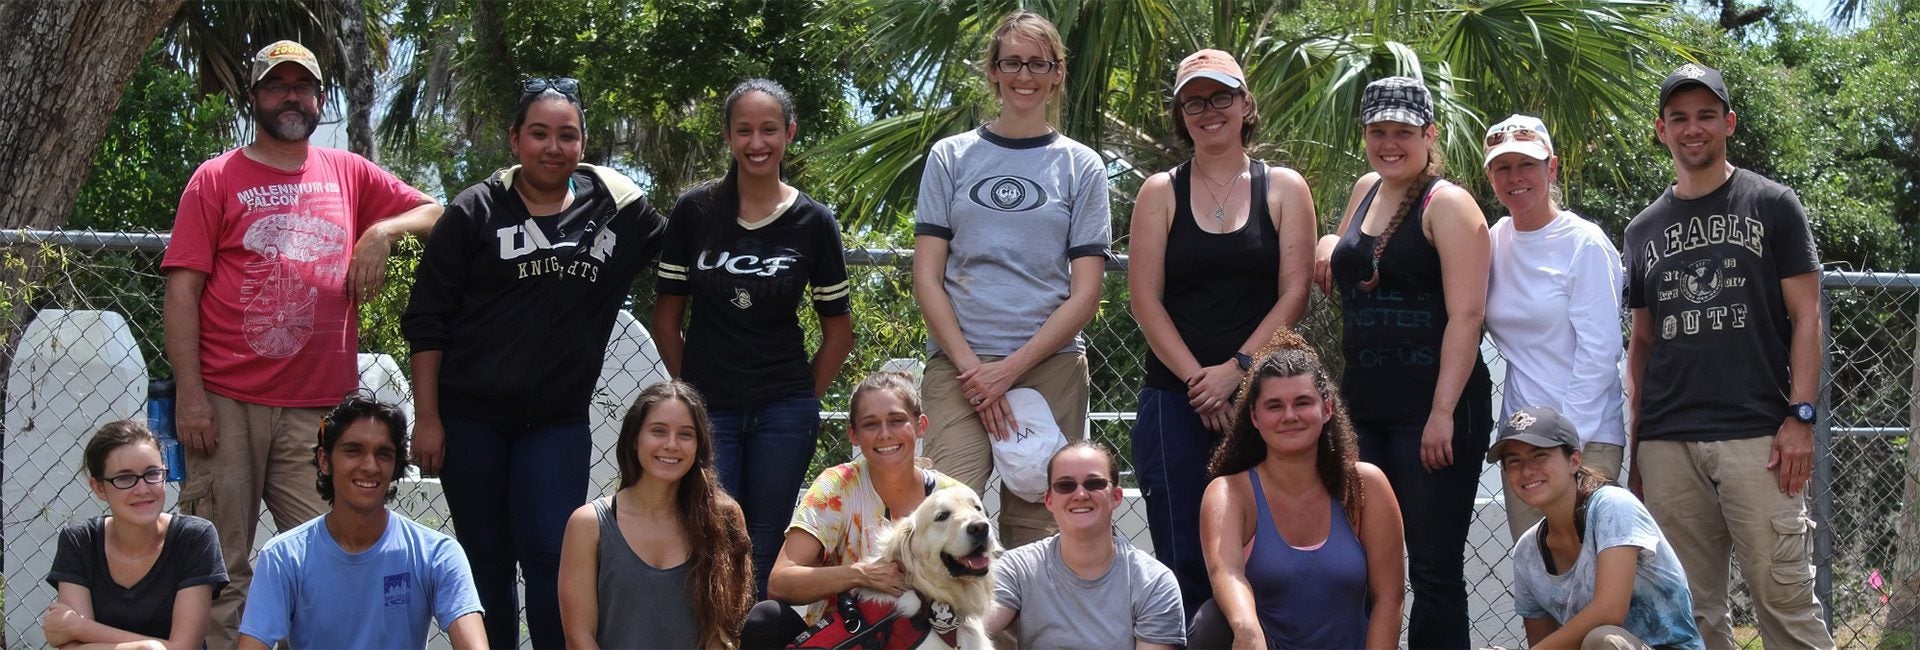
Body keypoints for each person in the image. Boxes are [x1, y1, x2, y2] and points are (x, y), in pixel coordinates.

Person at [160, 39, 442, 647]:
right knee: (220, 566)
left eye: (302, 86)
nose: (291, 96)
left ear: (320, 99)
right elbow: (182, 292)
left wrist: (382, 230)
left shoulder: (347, 171)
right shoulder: (216, 178)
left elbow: (438, 212)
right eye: (276, 85)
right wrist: (190, 396)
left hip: (319, 412)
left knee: (328, 557)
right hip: (225, 403)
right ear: (255, 97)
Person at [401, 77, 669, 649]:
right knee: (486, 560)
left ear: (583, 142)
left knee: (555, 555)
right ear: (514, 139)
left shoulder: (615, 209)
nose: (553, 147)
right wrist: (428, 417)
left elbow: (685, 253)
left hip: (556, 421)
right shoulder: (477, 209)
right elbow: (427, 319)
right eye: (539, 134)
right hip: (470, 418)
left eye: (567, 136)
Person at [1624, 63, 1835, 648]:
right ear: (1662, 131)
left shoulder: (1771, 203)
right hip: (1669, 439)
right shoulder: (1643, 229)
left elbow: (1807, 316)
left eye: (1706, 116)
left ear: (1729, 123)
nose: (1694, 129)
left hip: (1758, 436)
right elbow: (1641, 343)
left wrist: (1802, 416)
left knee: (1784, 600)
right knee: (1689, 613)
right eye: (1680, 118)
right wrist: (1639, 446)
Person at [1127, 47, 1315, 617]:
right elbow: (1143, 300)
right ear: (1181, 114)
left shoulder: (1283, 187)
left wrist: (1237, 371)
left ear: (1244, 103)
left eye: (1221, 97)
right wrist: (1197, 382)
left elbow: (1295, 294)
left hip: (1263, 400)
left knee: (1269, 554)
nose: (1209, 111)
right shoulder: (1159, 192)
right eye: (1194, 102)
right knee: (1184, 556)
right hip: (1174, 399)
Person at [914, 9, 1111, 550]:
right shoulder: (950, 157)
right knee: (949, 523)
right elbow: (927, 277)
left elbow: (1086, 292)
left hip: (1048, 368)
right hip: (959, 367)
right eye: (1012, 63)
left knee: (1042, 527)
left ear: (1057, 73)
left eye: (1037, 63)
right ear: (993, 72)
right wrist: (976, 371)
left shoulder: (1082, 166)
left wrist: (1011, 371)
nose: (1024, 75)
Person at [653, 78, 854, 598]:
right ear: (728, 136)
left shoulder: (813, 221)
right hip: (710, 408)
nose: (757, 142)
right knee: (712, 533)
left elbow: (839, 330)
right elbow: (666, 317)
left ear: (789, 133)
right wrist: (690, 392)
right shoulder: (694, 212)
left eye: (769, 129)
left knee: (765, 541)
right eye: (744, 130)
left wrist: (800, 397)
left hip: (782, 408)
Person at [1312, 74, 1492, 649]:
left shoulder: (1450, 204)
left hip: (1433, 413)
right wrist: (1324, 243)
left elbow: (1467, 317)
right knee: (1362, 565)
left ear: (1429, 133)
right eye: (1377, 130)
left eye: (1403, 132)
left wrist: (1442, 413)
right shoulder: (1367, 187)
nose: (1390, 142)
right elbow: (1347, 258)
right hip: (1364, 408)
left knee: (1434, 571)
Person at [1189, 329, 1405, 648]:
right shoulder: (1229, 492)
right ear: (1255, 417)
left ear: (1327, 409)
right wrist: (1247, 631)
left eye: (1302, 402)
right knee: (1209, 623)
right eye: (1274, 406)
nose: (1289, 416)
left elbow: (1390, 597)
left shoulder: (1365, 485)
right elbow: (1226, 571)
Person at [237, 392, 485, 649]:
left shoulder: (437, 554)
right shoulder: (283, 557)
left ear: (396, 466)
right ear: (325, 461)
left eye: (384, 454)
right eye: (353, 451)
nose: (370, 466)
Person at [1480, 114, 1628, 541]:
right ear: (1489, 175)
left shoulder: (1584, 243)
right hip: (1520, 438)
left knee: (1587, 578)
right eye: (1502, 167)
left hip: (1584, 437)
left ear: (1552, 167)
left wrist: (1564, 446)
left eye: (1527, 164)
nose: (1515, 177)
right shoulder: (1493, 240)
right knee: (1538, 578)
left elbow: (1601, 353)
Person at [740, 371, 968, 648]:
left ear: (920, 425)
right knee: (766, 619)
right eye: (871, 424)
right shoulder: (836, 486)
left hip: (925, 638)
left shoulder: (954, 497)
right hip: (849, 637)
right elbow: (780, 582)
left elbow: (980, 590)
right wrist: (861, 575)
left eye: (897, 420)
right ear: (853, 434)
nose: (885, 434)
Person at [558, 381, 753, 649]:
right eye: (658, 431)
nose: (671, 444)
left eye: (686, 434)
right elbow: (579, 639)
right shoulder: (589, 524)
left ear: (699, 445)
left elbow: (722, 635)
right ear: (634, 439)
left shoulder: (724, 518)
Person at [1492, 406, 1703, 650]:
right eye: (1514, 462)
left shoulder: (1612, 506)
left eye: (1540, 456)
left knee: (1604, 641)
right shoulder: (1527, 551)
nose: (1527, 470)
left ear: (1574, 461)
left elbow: (1609, 611)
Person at [42, 421, 228, 650]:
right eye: (124, 478)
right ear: (99, 488)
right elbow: (70, 647)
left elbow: (183, 648)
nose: (142, 489)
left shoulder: (195, 538)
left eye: (152, 473)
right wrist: (144, 648)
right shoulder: (80, 541)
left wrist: (78, 627)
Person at [984, 441, 1186, 648]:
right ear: (1049, 500)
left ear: (1115, 497)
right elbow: (974, 624)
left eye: (1094, 484)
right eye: (1065, 486)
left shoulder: (1153, 582)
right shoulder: (1018, 567)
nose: (1080, 495)